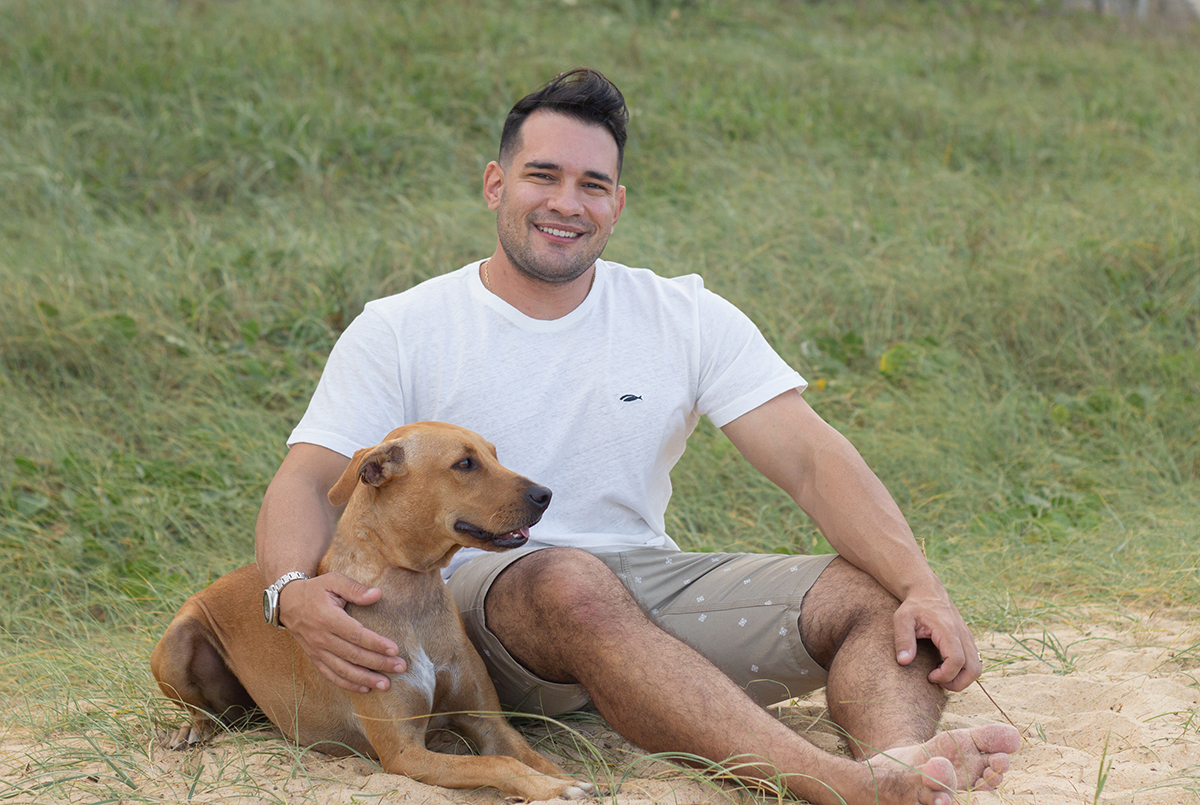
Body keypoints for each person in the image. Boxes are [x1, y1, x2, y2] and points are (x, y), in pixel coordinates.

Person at [254, 68, 1020, 805]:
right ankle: (837, 786)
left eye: (592, 184)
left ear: (616, 204)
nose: (566, 202)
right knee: (569, 578)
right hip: (481, 609)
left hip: (642, 591)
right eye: (542, 176)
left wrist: (922, 585)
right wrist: (289, 592)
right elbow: (308, 480)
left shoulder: (682, 315)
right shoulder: (401, 327)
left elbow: (812, 461)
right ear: (495, 184)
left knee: (878, 596)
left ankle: (900, 769)